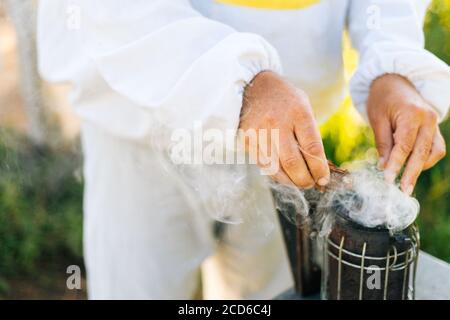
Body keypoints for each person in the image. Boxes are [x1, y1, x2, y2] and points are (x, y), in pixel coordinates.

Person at [37, 0, 450, 299]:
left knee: (267, 299)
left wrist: (391, 62)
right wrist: (240, 82)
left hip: (283, 144)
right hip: (141, 130)